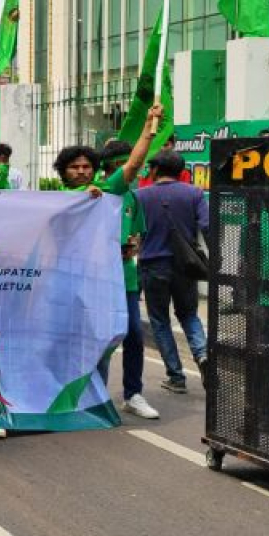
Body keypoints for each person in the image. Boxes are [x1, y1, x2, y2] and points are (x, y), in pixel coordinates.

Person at [135, 150, 209, 395]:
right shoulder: (195, 193)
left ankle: (176, 377)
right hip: (185, 265)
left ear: (154, 169)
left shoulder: (140, 196)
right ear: (182, 172)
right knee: (189, 315)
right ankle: (203, 355)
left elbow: (130, 231)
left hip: (153, 264)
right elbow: (207, 226)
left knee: (160, 321)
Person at [96, 140, 158, 419]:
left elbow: (137, 236)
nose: (135, 169)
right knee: (101, 337)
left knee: (134, 334)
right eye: (126, 163)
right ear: (112, 167)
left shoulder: (132, 198)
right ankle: (94, 394)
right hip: (98, 278)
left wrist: (132, 247)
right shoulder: (102, 191)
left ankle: (133, 394)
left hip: (127, 278)